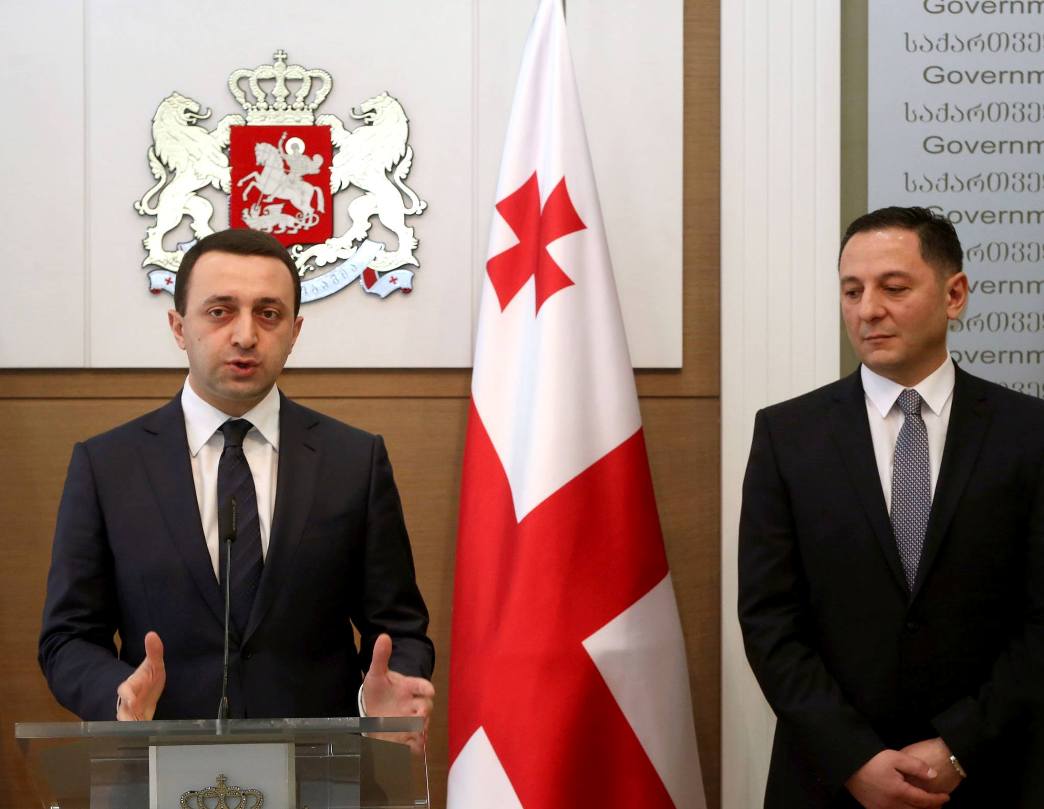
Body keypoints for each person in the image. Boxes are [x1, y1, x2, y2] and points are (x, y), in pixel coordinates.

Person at [38, 228, 435, 732]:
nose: (246, 335)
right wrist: (116, 693)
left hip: (319, 767)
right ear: (178, 327)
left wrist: (383, 695)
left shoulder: (354, 460)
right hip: (160, 762)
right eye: (220, 311)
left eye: (268, 314)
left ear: (294, 331)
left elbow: (399, 627)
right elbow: (67, 637)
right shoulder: (107, 465)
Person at [739, 206, 1044, 808]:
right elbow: (769, 620)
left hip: (994, 773)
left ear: (954, 295)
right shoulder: (788, 435)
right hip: (829, 781)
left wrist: (960, 745)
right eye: (852, 291)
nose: (868, 310)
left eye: (894, 288)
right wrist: (854, 757)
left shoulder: (1029, 433)